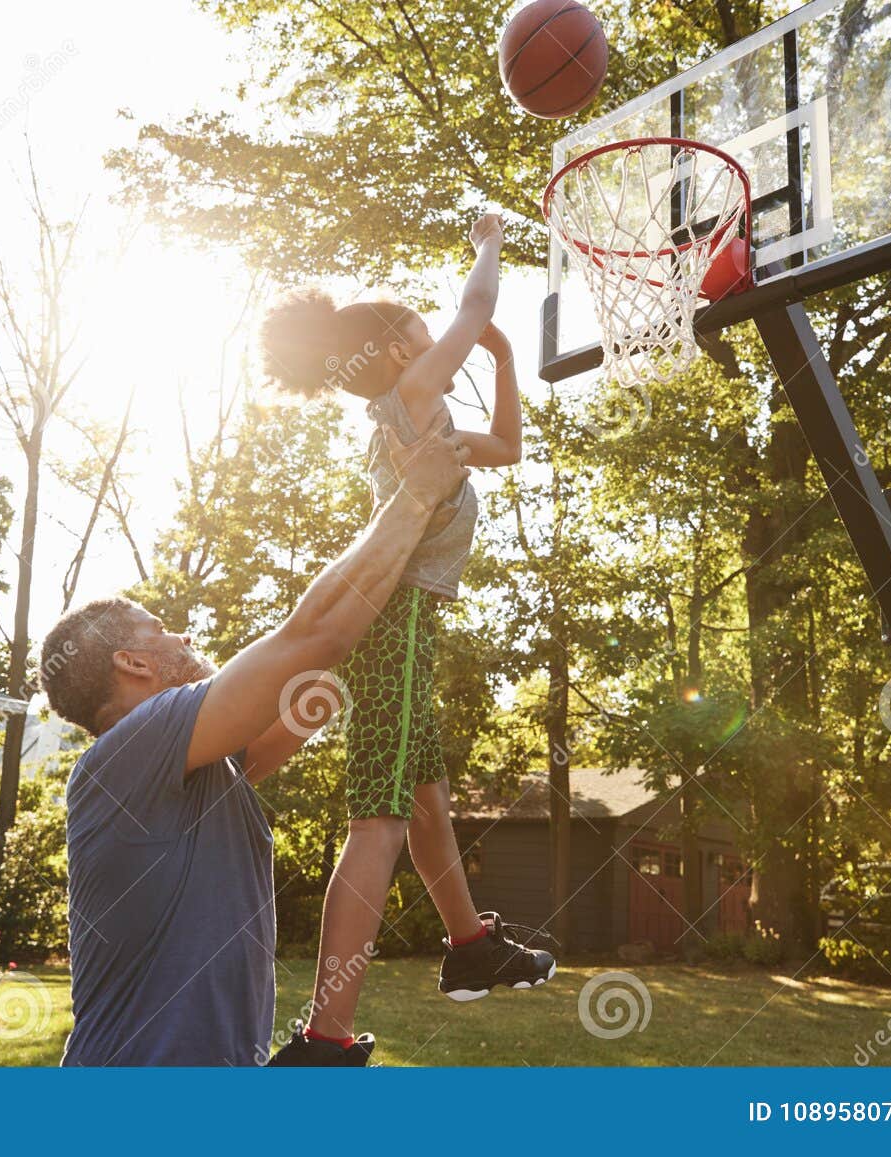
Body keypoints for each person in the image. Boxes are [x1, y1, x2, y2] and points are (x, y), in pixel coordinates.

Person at [39, 416, 467, 1067]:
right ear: (132, 663)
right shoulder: (127, 752)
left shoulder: (201, 766)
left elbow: (312, 682)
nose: (183, 637)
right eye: (162, 628)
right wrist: (410, 497)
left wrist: (397, 581)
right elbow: (311, 640)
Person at [255, 212, 555, 1068]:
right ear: (395, 352)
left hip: (409, 622)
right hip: (397, 623)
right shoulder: (410, 395)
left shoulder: (419, 420)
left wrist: (501, 360)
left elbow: (506, 446)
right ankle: (324, 1036)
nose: (443, 341)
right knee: (380, 818)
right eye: (426, 336)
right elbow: (479, 302)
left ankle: (468, 947)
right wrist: (488, 241)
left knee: (424, 800)